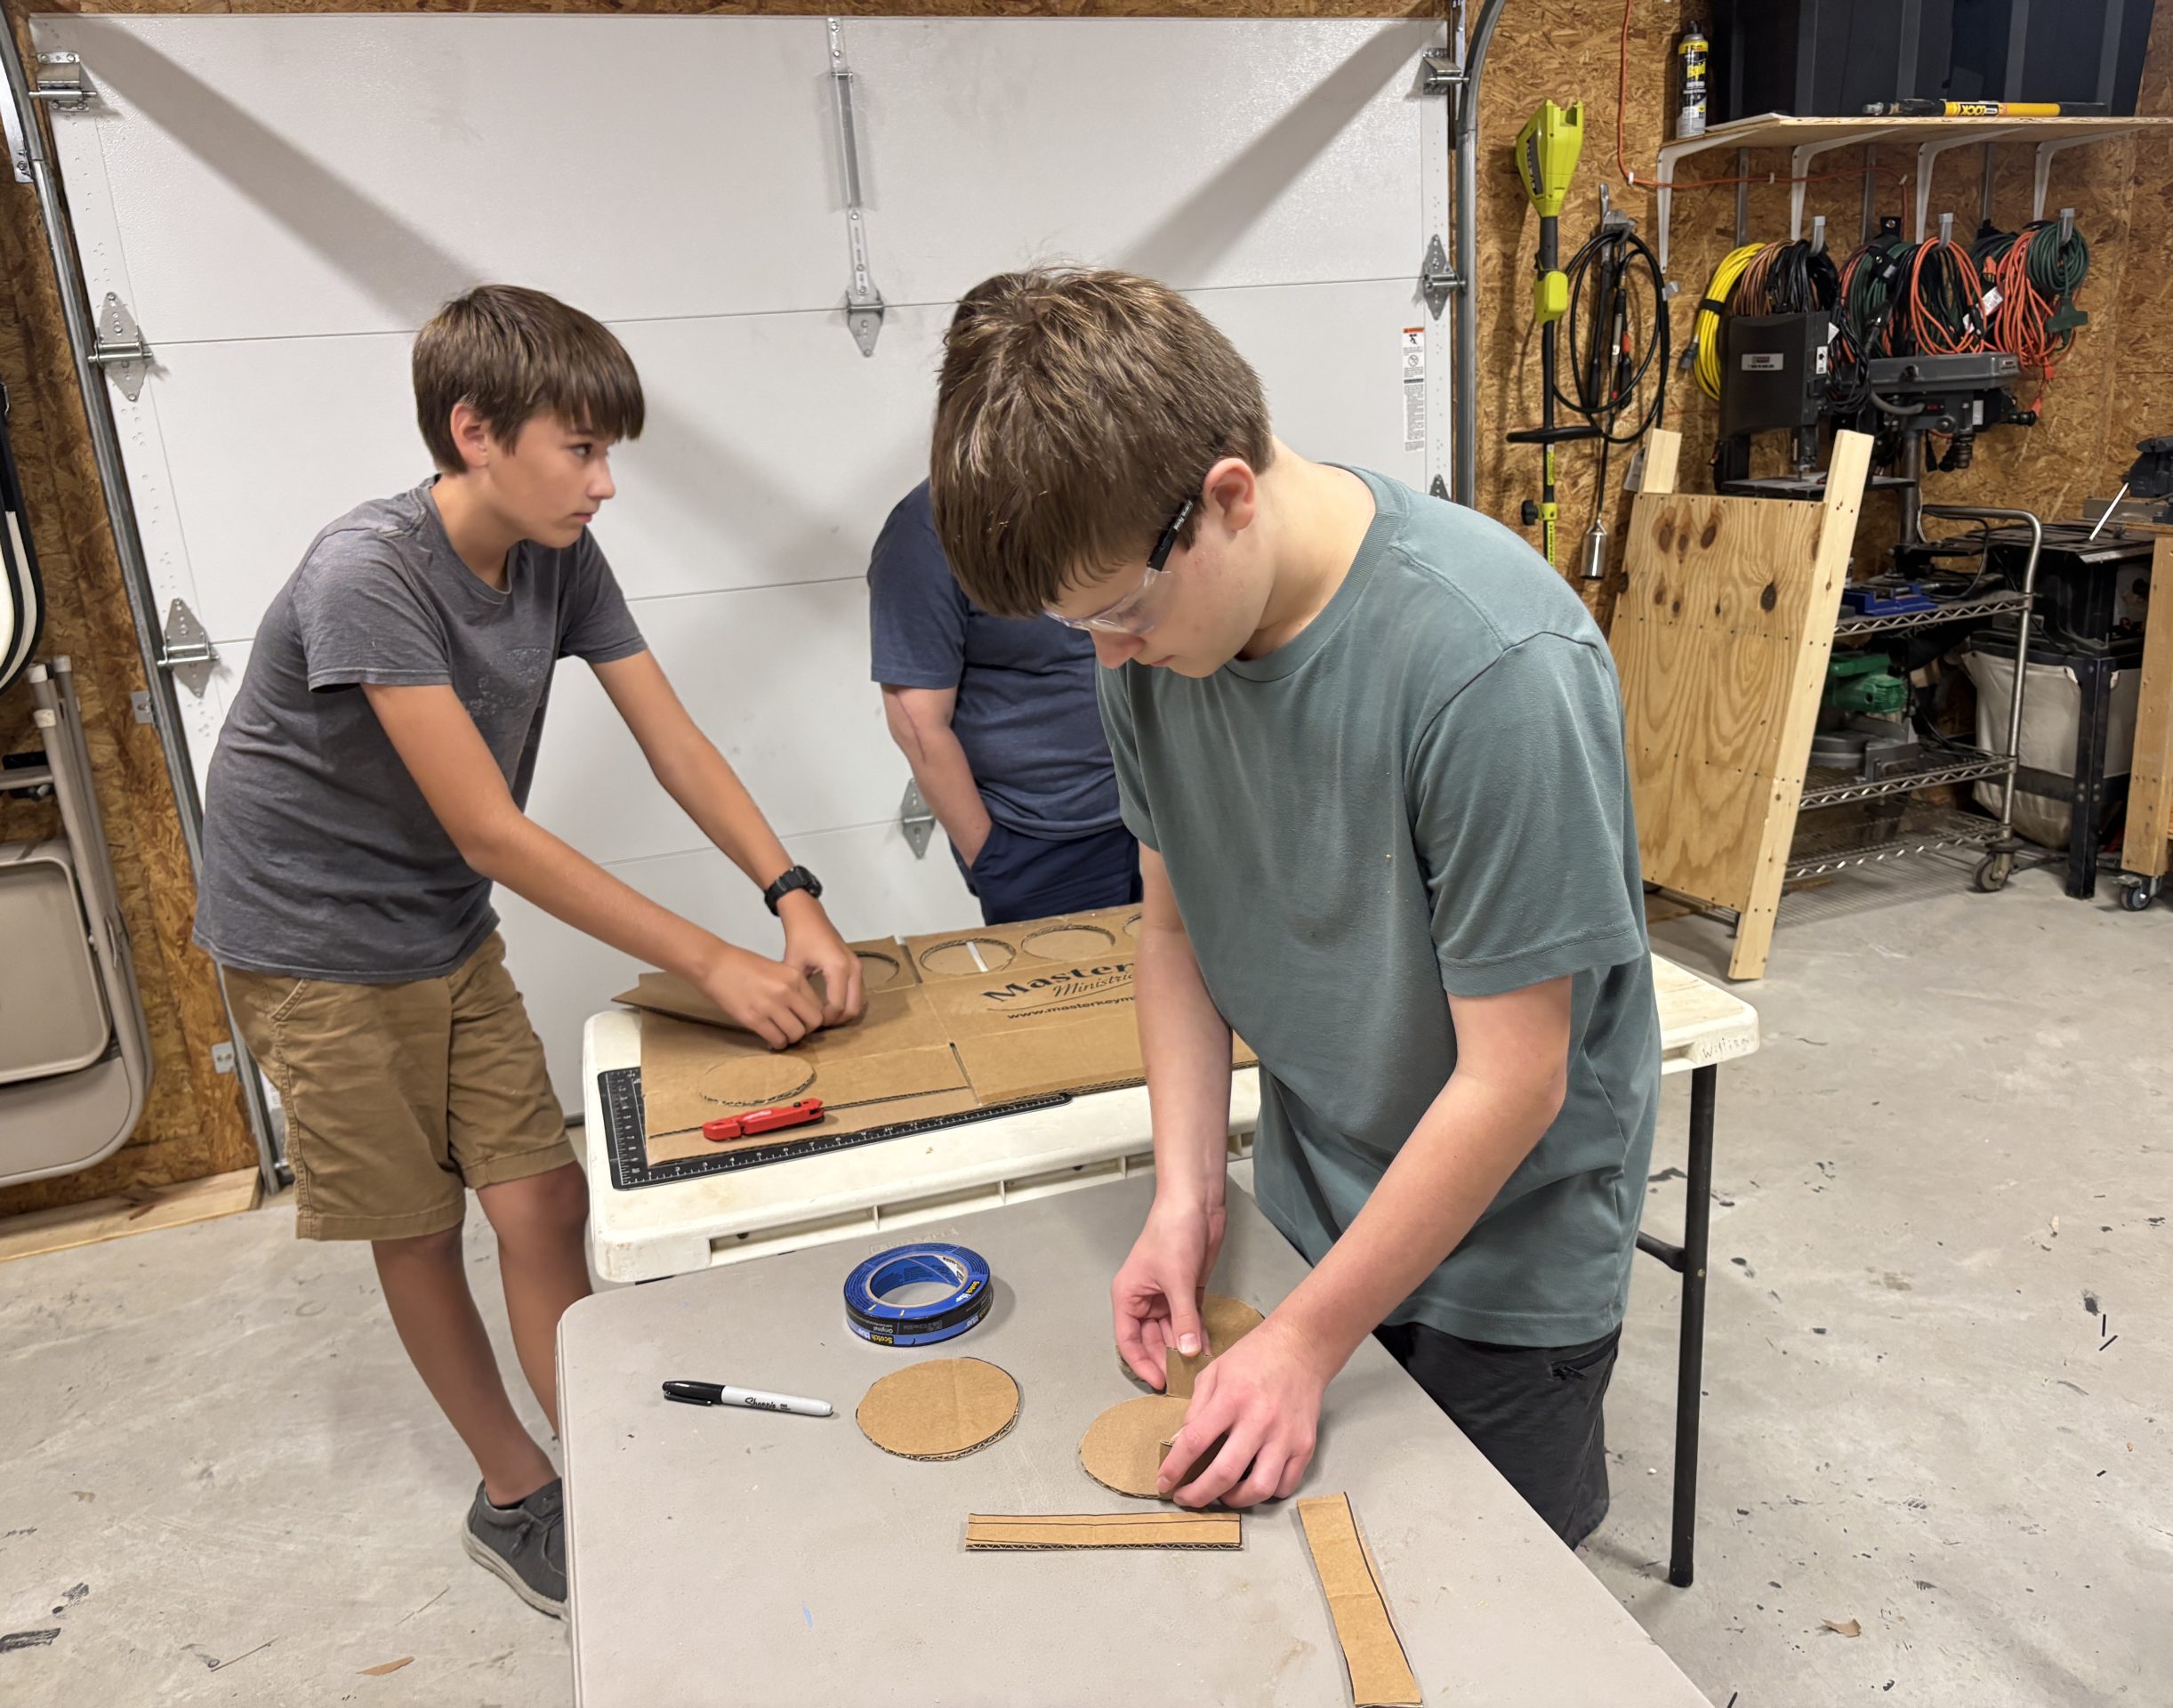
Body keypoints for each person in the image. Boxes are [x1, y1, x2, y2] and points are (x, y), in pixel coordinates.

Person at [930, 267, 1662, 1546]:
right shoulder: (1152, 646)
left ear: (1227, 497)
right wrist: (1187, 1194)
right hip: (1310, 1210)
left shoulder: (1492, 668)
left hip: (1505, 1262)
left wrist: (1308, 1343)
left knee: (1477, 1601)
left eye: (1120, 611)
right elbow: (1174, 934)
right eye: (1077, 626)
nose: (1109, 655)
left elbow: (1514, 1079)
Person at [191, 285, 865, 1616]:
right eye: (582, 449)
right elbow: (491, 831)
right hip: (316, 942)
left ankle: (604, 1457)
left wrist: (792, 894)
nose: (605, 484)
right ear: (475, 432)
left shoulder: (559, 556)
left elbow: (673, 740)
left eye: (609, 452)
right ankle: (516, 1494)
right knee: (419, 1225)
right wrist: (713, 965)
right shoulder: (367, 574)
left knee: (543, 1201)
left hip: (437, 917)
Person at [868, 479, 1139, 923]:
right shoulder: (929, 526)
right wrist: (993, 858)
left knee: (1188, 967)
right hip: (1040, 845)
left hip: (1164, 816)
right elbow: (917, 722)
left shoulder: (1114, 484)